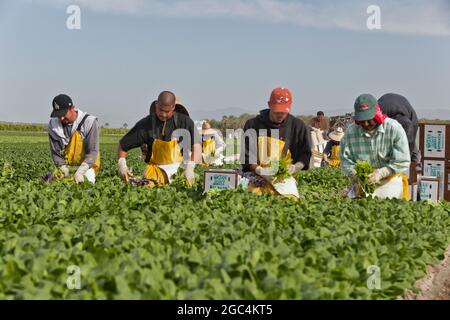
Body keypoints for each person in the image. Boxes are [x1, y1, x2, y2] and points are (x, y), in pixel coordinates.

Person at [117, 91, 201, 187]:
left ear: (173, 107)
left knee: (183, 189)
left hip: (179, 170)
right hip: (155, 172)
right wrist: (121, 163)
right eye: (161, 110)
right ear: (156, 105)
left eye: (167, 111)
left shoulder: (185, 122)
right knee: (147, 188)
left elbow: (197, 145)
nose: (163, 114)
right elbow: (123, 145)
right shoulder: (146, 124)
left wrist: (190, 167)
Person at [242, 87, 312, 198]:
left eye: (284, 112)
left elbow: (305, 154)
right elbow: (247, 157)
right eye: (276, 111)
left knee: (288, 199)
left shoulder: (297, 126)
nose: (280, 115)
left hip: (283, 178)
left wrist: (295, 167)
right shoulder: (253, 125)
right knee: (251, 198)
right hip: (256, 174)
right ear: (269, 105)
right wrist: (262, 171)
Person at [340, 94, 411, 199]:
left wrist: (381, 172)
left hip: (390, 181)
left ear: (377, 112)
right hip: (363, 184)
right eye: (362, 120)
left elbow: (402, 161)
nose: (366, 123)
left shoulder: (393, 128)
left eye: (369, 119)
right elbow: (345, 162)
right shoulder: (350, 133)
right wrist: (356, 174)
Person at [48, 94, 100, 183]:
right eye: (58, 115)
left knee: (86, 182)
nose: (61, 118)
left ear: (72, 108)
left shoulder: (89, 122)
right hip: (67, 167)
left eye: (63, 114)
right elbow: (56, 152)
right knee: (52, 183)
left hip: (87, 166)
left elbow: (92, 152)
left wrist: (80, 172)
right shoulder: (54, 125)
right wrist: (63, 169)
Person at [377, 93, 421, 168]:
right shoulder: (382, 115)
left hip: (396, 104)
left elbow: (410, 142)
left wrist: (407, 159)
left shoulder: (412, 123)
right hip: (387, 105)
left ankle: (416, 160)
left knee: (412, 147)